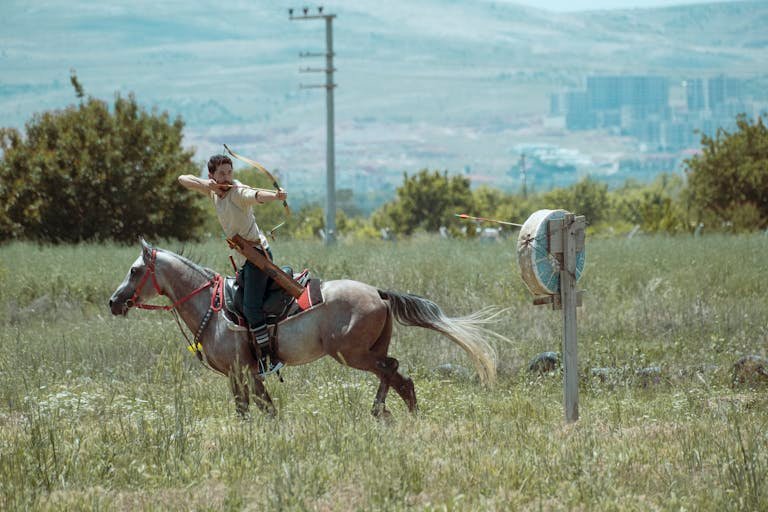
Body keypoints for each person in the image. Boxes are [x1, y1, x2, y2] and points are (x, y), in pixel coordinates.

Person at [178, 154, 287, 375]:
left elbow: (255, 195)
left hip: (257, 256)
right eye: (222, 173)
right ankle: (250, 350)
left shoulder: (238, 192)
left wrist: (275, 196)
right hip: (244, 259)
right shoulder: (213, 191)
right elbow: (183, 179)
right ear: (212, 175)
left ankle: (269, 358)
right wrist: (208, 185)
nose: (227, 177)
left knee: (251, 308)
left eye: (229, 172)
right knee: (238, 304)